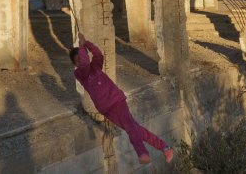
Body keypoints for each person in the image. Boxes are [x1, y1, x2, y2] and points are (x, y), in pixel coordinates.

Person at [71, 33, 173, 165]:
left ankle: (142, 153)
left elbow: (98, 55)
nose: (80, 60)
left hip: (117, 101)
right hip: (106, 110)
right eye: (77, 60)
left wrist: (87, 44)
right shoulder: (80, 74)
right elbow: (84, 63)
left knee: (131, 128)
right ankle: (165, 147)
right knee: (136, 129)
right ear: (75, 64)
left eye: (80, 57)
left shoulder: (95, 67)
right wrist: (82, 47)